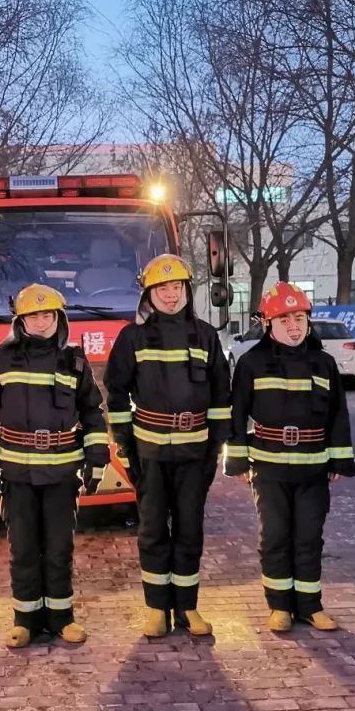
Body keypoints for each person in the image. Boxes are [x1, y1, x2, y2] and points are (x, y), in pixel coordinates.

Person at [0, 284, 110, 647]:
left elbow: (92, 412)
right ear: (20, 321)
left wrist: (97, 460)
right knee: (23, 549)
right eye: (32, 316)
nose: (40, 322)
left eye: (47, 315)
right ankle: (25, 621)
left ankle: (62, 619)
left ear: (59, 319)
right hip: (16, 474)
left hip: (62, 474)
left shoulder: (74, 360)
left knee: (59, 548)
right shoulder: (2, 359)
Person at [104, 255, 231, 638]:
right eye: (162, 288)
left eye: (177, 287)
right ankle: (157, 609)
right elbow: (116, 395)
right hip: (151, 455)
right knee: (153, 531)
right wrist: (127, 446)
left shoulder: (205, 336)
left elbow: (220, 397)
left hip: (195, 454)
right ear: (148, 294)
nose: (171, 295)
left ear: (187, 290)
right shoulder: (132, 338)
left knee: (190, 531)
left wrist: (215, 448)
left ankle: (188, 607)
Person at [225, 282, 355, 632]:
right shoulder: (251, 364)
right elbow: (236, 415)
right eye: (284, 320)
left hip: (313, 467)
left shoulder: (324, 364)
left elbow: (337, 416)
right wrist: (237, 461)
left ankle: (310, 606)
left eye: (299, 318)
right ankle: (280, 606)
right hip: (269, 468)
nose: (294, 327)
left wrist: (339, 460)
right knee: (275, 537)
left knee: (309, 537)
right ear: (269, 324)